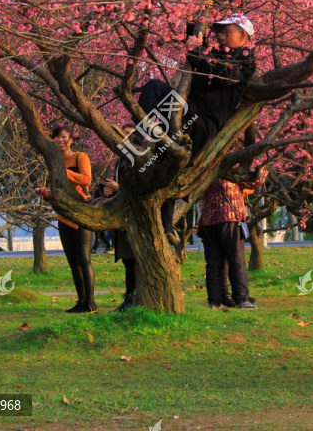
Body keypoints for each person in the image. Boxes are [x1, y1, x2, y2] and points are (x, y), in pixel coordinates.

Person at [136, 15, 257, 247]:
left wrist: (194, 49)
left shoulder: (245, 60)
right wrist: (194, 20)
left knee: (171, 159)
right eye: (219, 32)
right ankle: (145, 141)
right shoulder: (217, 54)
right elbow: (202, 54)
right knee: (153, 88)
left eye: (227, 31)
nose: (221, 37)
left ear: (243, 35)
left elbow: (217, 70)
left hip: (202, 122)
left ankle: (166, 220)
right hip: (184, 113)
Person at [36, 125, 97, 313]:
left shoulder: (79, 157)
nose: (60, 140)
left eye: (63, 137)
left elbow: (86, 180)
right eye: (56, 137)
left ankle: (90, 303)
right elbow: (58, 190)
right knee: (72, 262)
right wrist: (46, 194)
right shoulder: (53, 162)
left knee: (84, 259)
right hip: (63, 215)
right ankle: (81, 301)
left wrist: (63, 170)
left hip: (80, 213)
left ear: (70, 139)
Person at [199, 166, 267, 309]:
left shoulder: (205, 170)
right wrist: (261, 174)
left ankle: (215, 300)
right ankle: (241, 298)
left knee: (214, 263)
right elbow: (252, 183)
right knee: (236, 259)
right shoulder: (232, 171)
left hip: (208, 221)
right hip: (229, 219)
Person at [99, 124, 139, 312]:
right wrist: (108, 189)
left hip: (135, 216)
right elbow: (118, 187)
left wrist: (118, 188)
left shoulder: (139, 159)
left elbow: (141, 189)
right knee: (127, 259)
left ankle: (133, 297)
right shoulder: (120, 162)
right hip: (121, 215)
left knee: (133, 259)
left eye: (128, 135)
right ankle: (130, 295)